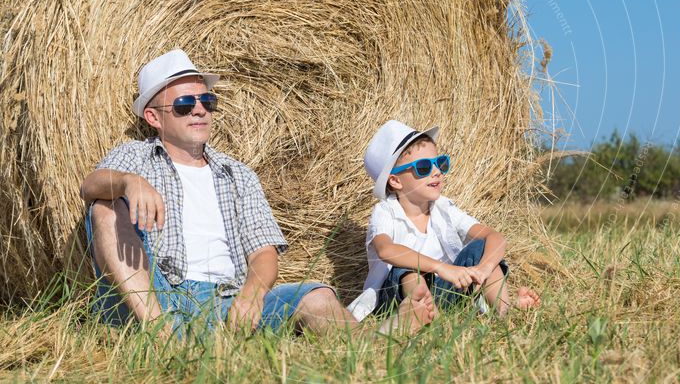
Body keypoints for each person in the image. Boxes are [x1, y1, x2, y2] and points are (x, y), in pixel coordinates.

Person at [80, 50, 433, 338]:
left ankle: (374, 341)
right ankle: (163, 337)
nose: (200, 109)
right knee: (105, 208)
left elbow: (264, 252)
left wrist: (251, 294)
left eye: (207, 100)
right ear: (154, 117)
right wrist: (129, 182)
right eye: (186, 104)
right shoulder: (134, 157)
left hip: (225, 300)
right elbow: (90, 187)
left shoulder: (238, 174)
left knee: (318, 295)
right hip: (153, 296)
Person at [347, 120, 541, 322]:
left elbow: (495, 237)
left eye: (439, 163)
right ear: (395, 181)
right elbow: (386, 250)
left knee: (481, 247)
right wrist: (441, 268)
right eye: (423, 167)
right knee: (408, 269)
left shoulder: (443, 208)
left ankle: (505, 311)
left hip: (446, 292)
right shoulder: (385, 211)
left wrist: (483, 268)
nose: (436, 171)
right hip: (396, 298)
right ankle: (428, 319)